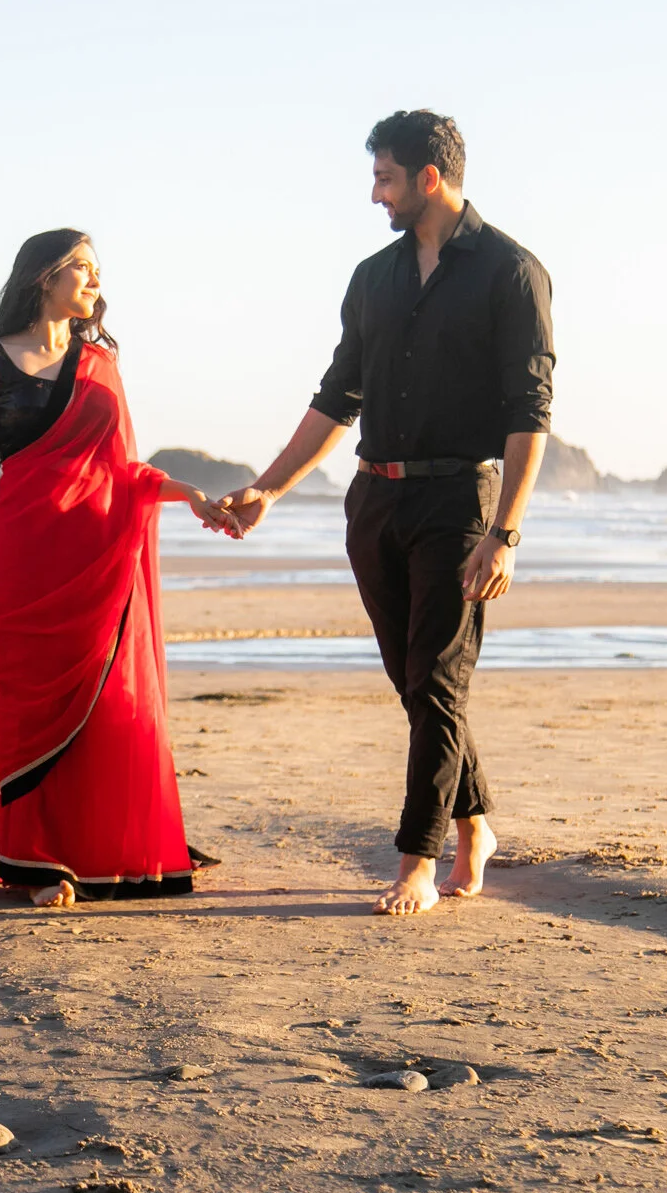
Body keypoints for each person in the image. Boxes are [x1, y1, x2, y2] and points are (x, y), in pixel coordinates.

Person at [216, 110, 554, 917]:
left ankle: (418, 862)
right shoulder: (374, 277)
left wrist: (504, 533)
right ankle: (474, 821)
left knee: (436, 678)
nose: (376, 196)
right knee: (416, 681)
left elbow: (530, 412)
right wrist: (269, 486)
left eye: (385, 179)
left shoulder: (512, 272)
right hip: (373, 498)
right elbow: (338, 395)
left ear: (428, 178)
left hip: (458, 499)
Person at [0, 229, 237, 909]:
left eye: (98, 273)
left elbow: (123, 467)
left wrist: (188, 494)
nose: (97, 284)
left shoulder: (100, 362)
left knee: (103, 709)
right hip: (22, 556)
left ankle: (93, 849)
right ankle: (34, 862)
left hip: (91, 559)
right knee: (20, 702)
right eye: (84, 271)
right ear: (45, 276)